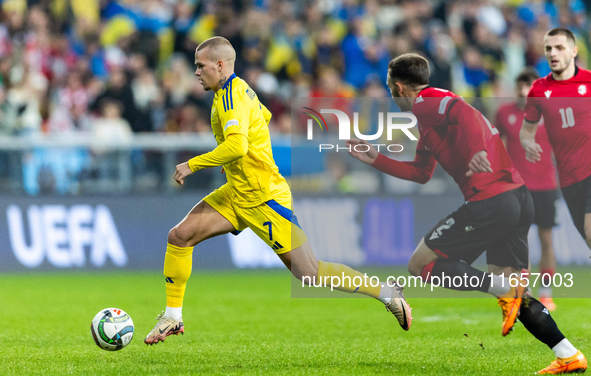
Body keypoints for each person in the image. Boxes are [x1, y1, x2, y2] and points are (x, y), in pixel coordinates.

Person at [144, 37, 412, 346]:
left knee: (309, 273)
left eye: (200, 66)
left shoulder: (232, 97)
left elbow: (238, 144)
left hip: (264, 198)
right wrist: (237, 159)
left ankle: (388, 293)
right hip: (236, 192)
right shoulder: (234, 90)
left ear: (220, 65)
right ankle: (173, 317)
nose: (196, 72)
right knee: (180, 236)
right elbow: (265, 117)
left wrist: (194, 164)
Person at [347, 53, 586, 375]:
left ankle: (503, 290)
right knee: (517, 291)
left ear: (400, 88)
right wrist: (376, 159)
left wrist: (479, 152)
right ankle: (567, 354)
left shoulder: (427, 102)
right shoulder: (430, 121)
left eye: (390, 89)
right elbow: (420, 173)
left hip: (492, 201)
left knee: (420, 264)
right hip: (517, 197)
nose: (392, 95)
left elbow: (467, 113)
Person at [520, 28, 591, 253]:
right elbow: (526, 131)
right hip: (569, 179)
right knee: (587, 237)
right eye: (549, 48)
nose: (553, 53)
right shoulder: (538, 90)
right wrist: (528, 143)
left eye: (559, 48)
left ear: (573, 51)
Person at [495, 68, 559, 311]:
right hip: (517, 187)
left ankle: (546, 293)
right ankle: (525, 292)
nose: (524, 91)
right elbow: (494, 144)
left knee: (546, 240)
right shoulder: (504, 113)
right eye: (521, 86)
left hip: (545, 185)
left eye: (529, 86)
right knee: (520, 241)